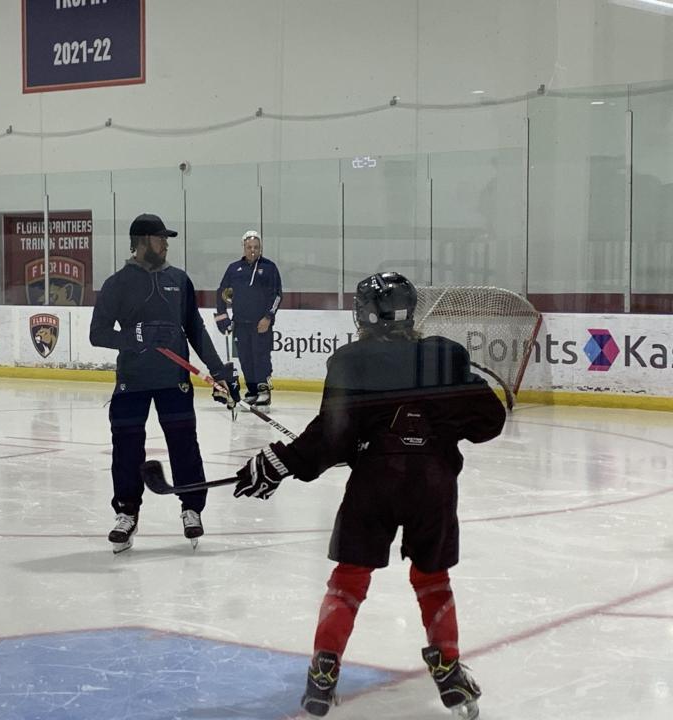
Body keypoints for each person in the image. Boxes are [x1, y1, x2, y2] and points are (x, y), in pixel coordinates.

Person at [232, 272, 506, 718]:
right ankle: (449, 669)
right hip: (433, 486)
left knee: (349, 579)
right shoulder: (443, 356)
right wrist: (451, 402)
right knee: (433, 579)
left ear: (364, 314)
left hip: (375, 484)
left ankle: (323, 671)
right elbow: (489, 422)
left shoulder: (351, 361)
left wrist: (280, 463)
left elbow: (331, 439)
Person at [90, 213, 240, 553]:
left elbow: (196, 330)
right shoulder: (117, 284)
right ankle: (127, 513)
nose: (166, 244)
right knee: (126, 448)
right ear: (142, 242)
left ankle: (191, 508)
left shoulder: (179, 280)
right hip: (132, 381)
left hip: (174, 380)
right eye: (160, 238)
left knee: (184, 444)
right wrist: (135, 336)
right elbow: (97, 334)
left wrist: (219, 372)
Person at [214, 230, 282, 407]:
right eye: (249, 247)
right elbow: (221, 293)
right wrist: (222, 318)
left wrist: (268, 317)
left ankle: (263, 391)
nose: (253, 250)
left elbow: (276, 296)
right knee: (245, 358)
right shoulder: (234, 268)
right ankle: (252, 391)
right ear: (243, 247)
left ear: (261, 248)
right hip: (240, 323)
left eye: (256, 247)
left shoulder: (269, 267)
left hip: (260, 324)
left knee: (261, 357)